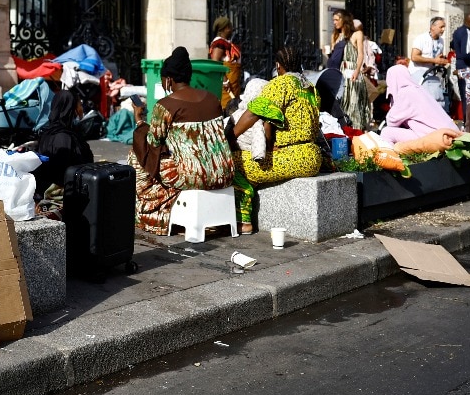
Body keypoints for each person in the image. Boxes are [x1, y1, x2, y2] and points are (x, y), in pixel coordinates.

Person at [130, 47, 235, 235]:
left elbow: (152, 144)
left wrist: (139, 121)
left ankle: (150, 207)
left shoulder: (165, 106)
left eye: (163, 80)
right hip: (224, 173)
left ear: (168, 79)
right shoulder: (213, 99)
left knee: (136, 154)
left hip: (191, 176)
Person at [232, 46, 326, 232]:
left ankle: (244, 221)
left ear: (278, 66)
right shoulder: (310, 88)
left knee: (233, 162)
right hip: (313, 156)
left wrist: (230, 136)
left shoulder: (280, 84)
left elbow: (253, 114)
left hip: (293, 157)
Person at [33, 91, 95, 220]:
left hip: (47, 194)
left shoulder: (48, 133)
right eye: (79, 104)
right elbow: (63, 172)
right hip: (64, 198)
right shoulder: (64, 137)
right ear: (70, 108)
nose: (81, 109)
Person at [380, 64, 459, 145]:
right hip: (450, 133)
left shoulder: (405, 93)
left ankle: (391, 157)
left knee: (386, 133)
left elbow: (391, 121)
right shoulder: (419, 89)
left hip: (436, 136)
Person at [333, 10, 371, 130]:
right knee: (342, 103)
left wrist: (357, 70)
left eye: (336, 19)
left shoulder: (357, 34)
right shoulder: (336, 36)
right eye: (333, 20)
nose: (334, 22)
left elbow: (361, 54)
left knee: (354, 104)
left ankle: (356, 131)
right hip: (341, 73)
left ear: (344, 20)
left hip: (353, 72)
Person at [409, 16, 450, 111]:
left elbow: (437, 58)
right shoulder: (421, 38)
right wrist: (434, 60)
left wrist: (442, 61)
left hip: (431, 73)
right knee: (426, 100)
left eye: (444, 27)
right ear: (432, 27)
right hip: (418, 73)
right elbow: (414, 57)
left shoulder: (441, 41)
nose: (443, 30)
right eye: (441, 27)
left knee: (437, 98)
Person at [208, 16, 243, 111]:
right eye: (230, 27)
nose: (232, 30)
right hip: (226, 84)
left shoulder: (226, 42)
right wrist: (225, 81)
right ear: (226, 28)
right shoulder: (219, 43)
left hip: (233, 83)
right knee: (226, 108)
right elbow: (216, 61)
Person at [451, 14, 470, 117]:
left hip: (460, 65)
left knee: (465, 96)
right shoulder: (466, 33)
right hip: (467, 66)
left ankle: (467, 121)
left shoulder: (458, 31)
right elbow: (466, 53)